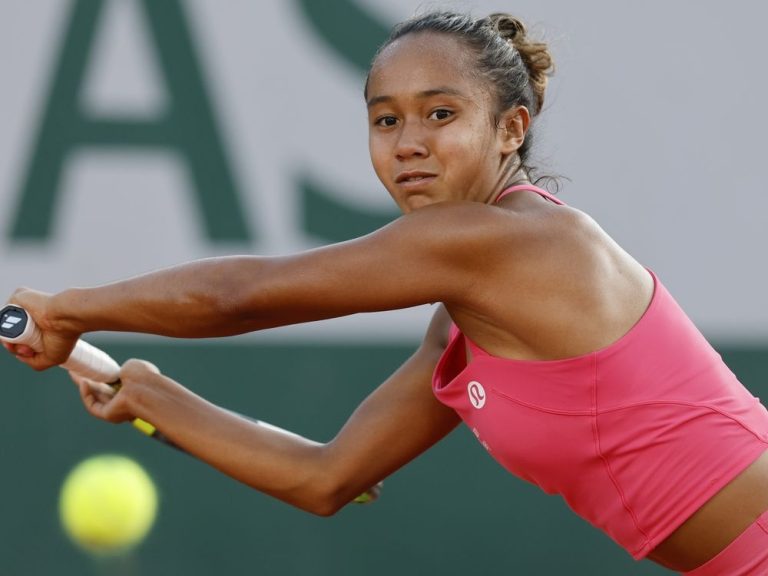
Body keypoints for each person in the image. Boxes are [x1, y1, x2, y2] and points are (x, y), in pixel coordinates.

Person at [4, 11, 768, 575]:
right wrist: (148, 398)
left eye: (442, 114)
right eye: (385, 120)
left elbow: (242, 296)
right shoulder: (464, 322)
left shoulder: (503, 243)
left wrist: (66, 309)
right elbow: (328, 477)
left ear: (511, 129)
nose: (409, 143)